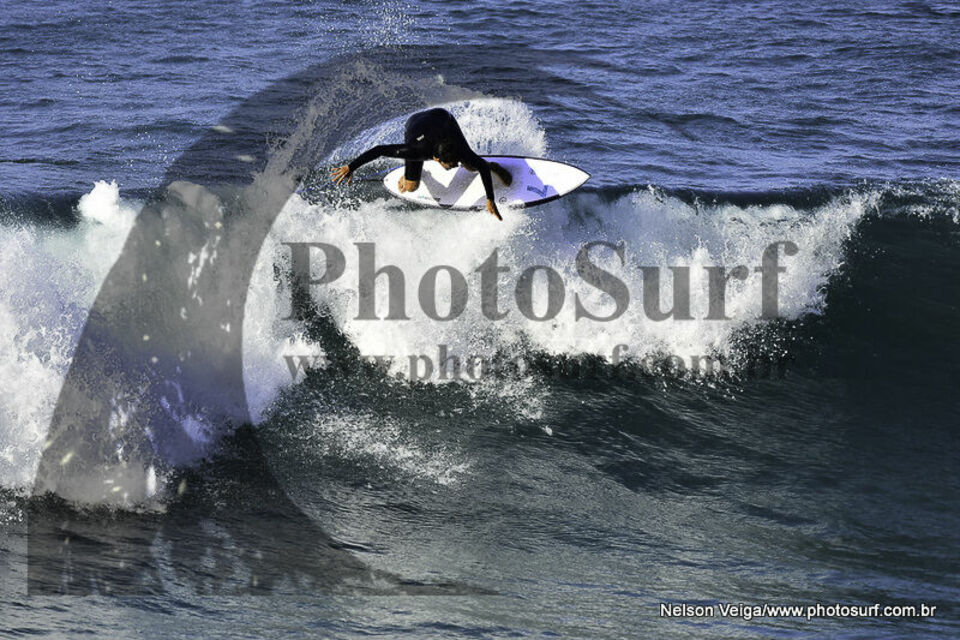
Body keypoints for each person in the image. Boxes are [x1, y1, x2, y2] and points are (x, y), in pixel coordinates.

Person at [330, 108, 513, 220]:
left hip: (443, 120)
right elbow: (378, 150)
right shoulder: (415, 151)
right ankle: (412, 172)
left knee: (472, 164)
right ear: (436, 159)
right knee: (410, 187)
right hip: (416, 125)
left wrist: (490, 199)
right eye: (450, 165)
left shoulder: (455, 147)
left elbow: (478, 167)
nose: (454, 166)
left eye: (454, 162)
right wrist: (350, 167)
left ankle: (493, 166)